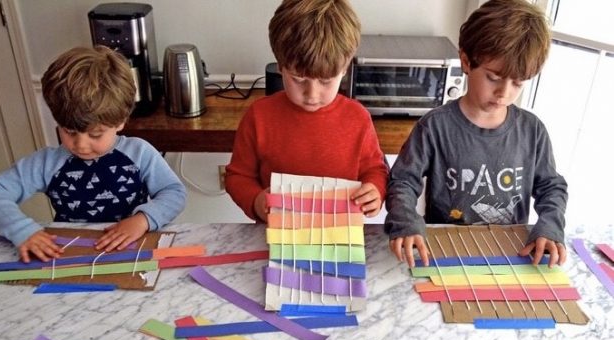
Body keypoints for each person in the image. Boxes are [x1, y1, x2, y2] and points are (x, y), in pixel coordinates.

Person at [385, 0, 568, 268]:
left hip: (511, 254)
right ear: (466, 62)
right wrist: (406, 222)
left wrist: (550, 226)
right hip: (444, 250)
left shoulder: (533, 131)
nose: (504, 93)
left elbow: (552, 187)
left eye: (518, 82)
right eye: (494, 77)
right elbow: (402, 181)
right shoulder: (435, 126)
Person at [0, 46, 186, 262]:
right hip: (69, 254)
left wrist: (144, 219)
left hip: (132, 251)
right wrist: (22, 230)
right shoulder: (47, 162)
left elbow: (174, 192)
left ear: (121, 121)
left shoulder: (139, 152)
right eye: (69, 131)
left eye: (95, 134)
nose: (81, 145)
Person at [225, 0, 388, 222]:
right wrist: (256, 200)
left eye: (326, 81)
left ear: (344, 69)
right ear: (280, 66)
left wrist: (375, 190)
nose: (312, 94)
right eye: (298, 79)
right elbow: (238, 176)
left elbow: (375, 170)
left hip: (339, 237)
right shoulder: (259, 116)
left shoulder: (357, 118)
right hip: (276, 235)